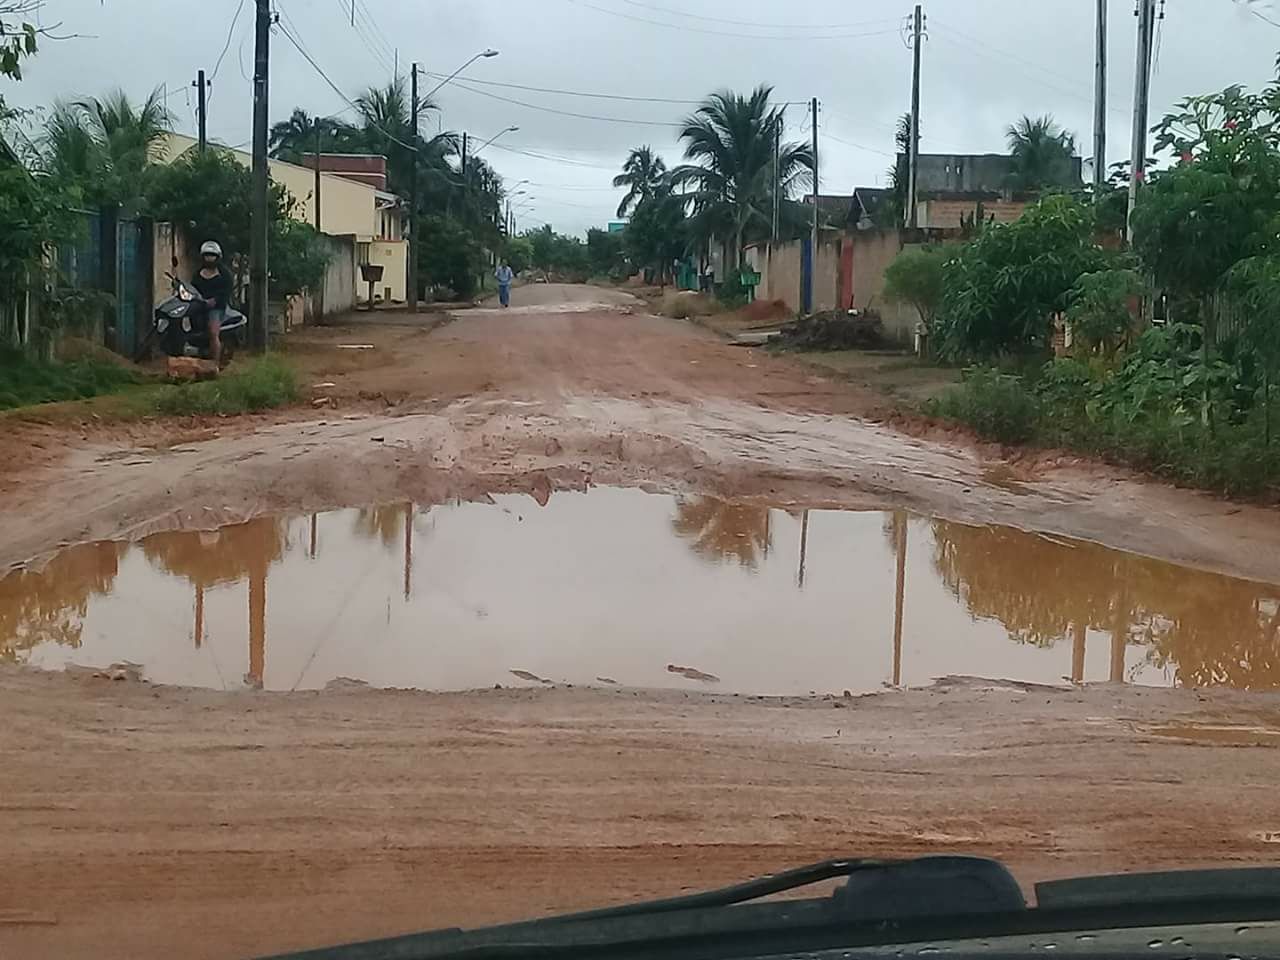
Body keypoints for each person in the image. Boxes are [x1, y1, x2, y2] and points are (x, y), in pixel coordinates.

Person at [191, 240, 231, 364]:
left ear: (218, 257)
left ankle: (215, 364)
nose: (210, 258)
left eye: (212, 255)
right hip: (200, 306)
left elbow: (226, 292)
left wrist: (215, 300)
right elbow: (193, 288)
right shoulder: (198, 274)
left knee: (213, 333)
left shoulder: (224, 274)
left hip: (216, 308)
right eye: (207, 255)